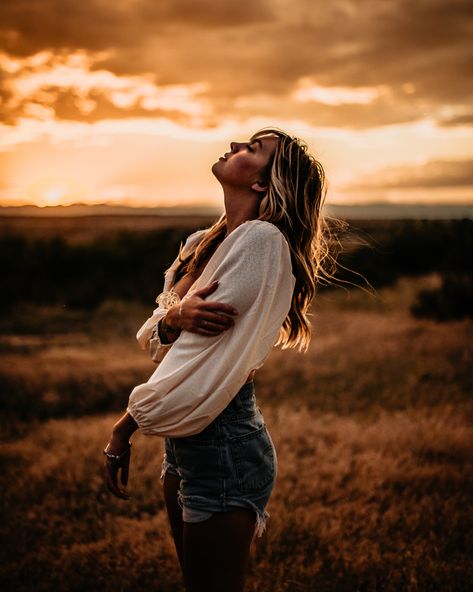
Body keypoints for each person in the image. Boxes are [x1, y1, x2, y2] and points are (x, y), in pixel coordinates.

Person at [103, 128, 336, 592]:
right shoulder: (201, 243)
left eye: (253, 150)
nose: (234, 146)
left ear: (262, 184)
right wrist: (174, 317)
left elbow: (190, 357)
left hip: (226, 442)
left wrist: (124, 426)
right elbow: (153, 340)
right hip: (187, 437)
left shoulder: (261, 243)